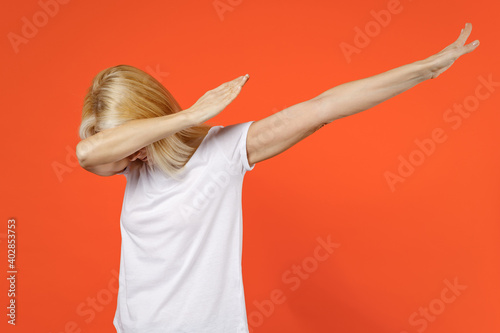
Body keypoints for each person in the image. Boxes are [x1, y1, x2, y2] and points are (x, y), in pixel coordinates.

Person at [76, 23, 479, 333]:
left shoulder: (222, 154)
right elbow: (87, 154)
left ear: (150, 116)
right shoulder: (129, 166)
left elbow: (324, 106)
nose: (130, 153)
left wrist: (424, 70)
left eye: (129, 137)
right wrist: (189, 116)